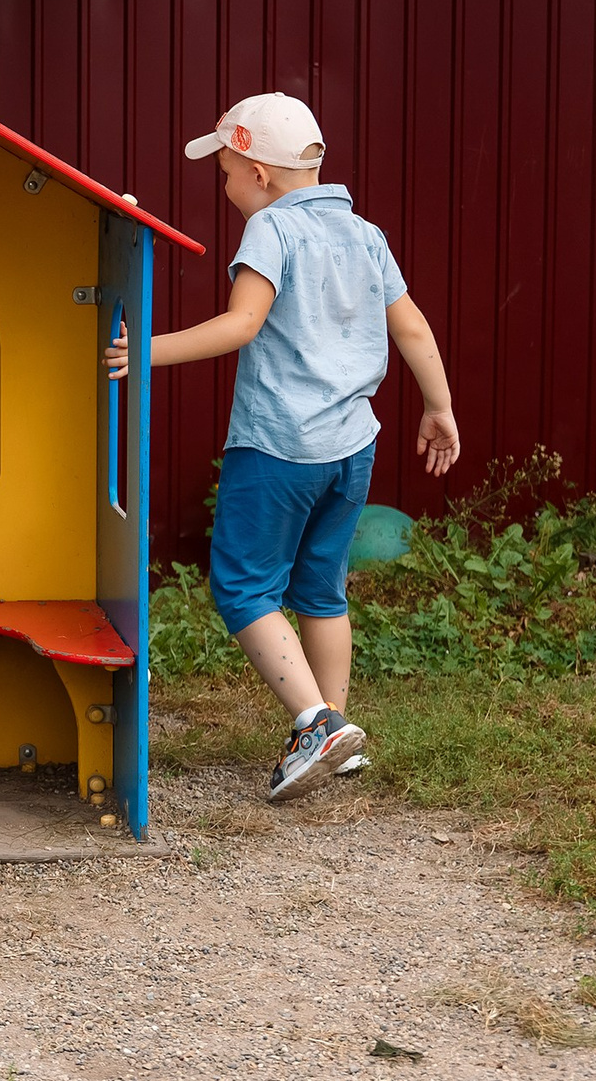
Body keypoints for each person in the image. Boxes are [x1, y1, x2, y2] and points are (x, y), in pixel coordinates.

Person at [108, 93, 458, 802]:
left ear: (260, 174)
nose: (228, 186)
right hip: (351, 448)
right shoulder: (365, 234)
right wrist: (439, 407)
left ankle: (315, 723)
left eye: (229, 173)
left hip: (278, 447)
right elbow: (414, 329)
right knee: (321, 590)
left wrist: (142, 350)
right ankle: (338, 732)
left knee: (241, 583)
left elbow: (241, 325)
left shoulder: (272, 231)